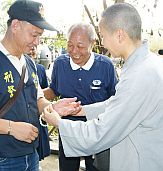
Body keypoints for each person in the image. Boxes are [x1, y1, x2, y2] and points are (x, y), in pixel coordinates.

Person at [0, 0, 81, 171]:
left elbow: (37, 98)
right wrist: (11, 128)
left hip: (31, 156)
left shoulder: (28, 62)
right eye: (34, 35)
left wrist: (52, 108)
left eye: (40, 36)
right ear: (15, 26)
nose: (37, 42)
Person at [42, 3, 163, 171]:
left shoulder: (140, 75)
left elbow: (102, 132)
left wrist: (59, 123)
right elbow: (119, 102)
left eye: (104, 36)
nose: (103, 43)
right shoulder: (146, 65)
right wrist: (82, 110)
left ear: (119, 35)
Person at [43, 23, 118, 171]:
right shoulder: (60, 63)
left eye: (80, 46)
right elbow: (54, 90)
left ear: (92, 43)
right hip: (67, 128)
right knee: (67, 167)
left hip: (97, 131)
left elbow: (115, 99)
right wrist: (34, 95)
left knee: (96, 168)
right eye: (70, 45)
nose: (74, 51)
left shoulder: (105, 66)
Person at [28, 46, 50, 161]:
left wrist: (51, 107)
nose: (32, 51)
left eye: (34, 49)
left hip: (38, 114)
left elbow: (43, 92)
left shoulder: (40, 69)